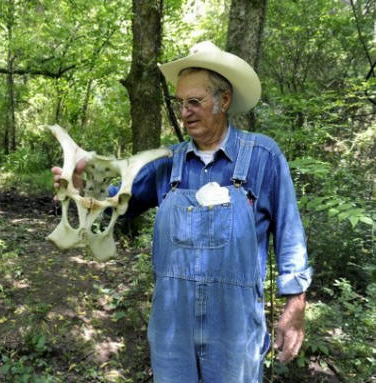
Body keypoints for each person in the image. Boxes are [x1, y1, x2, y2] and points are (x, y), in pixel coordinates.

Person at [52, 41, 312, 383]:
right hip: (172, 326)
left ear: (224, 101)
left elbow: (289, 231)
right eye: (180, 103)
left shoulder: (263, 156)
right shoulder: (166, 162)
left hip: (234, 327)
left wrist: (295, 305)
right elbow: (114, 208)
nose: (184, 112)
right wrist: (83, 187)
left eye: (195, 102)